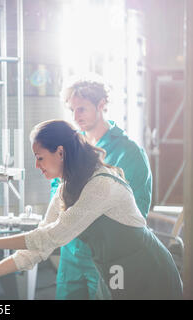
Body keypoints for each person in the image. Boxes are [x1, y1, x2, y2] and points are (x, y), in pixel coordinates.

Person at [0, 120, 182, 300]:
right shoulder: (66, 187)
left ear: (61, 153)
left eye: (40, 157)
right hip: (114, 273)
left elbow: (50, 236)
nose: (36, 165)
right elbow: (37, 249)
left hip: (148, 272)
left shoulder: (100, 185)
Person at [51, 75, 153, 299]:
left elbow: (138, 209)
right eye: (72, 111)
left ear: (101, 105)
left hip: (110, 257)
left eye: (82, 109)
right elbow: (56, 190)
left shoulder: (130, 153)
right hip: (72, 254)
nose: (76, 117)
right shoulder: (71, 148)